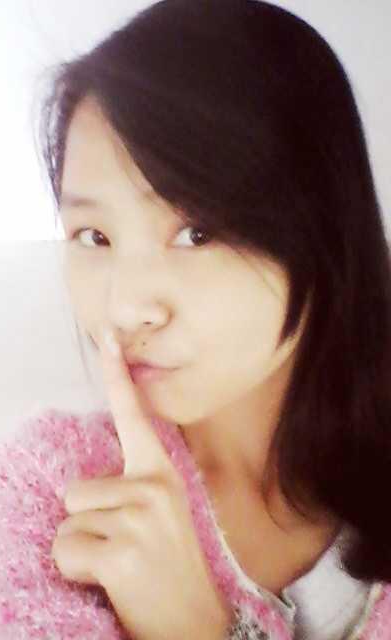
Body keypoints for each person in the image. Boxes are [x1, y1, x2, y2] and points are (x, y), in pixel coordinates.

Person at [35, 0, 391, 637]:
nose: (125, 308)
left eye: (196, 233)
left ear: (324, 228)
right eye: (93, 236)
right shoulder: (45, 497)